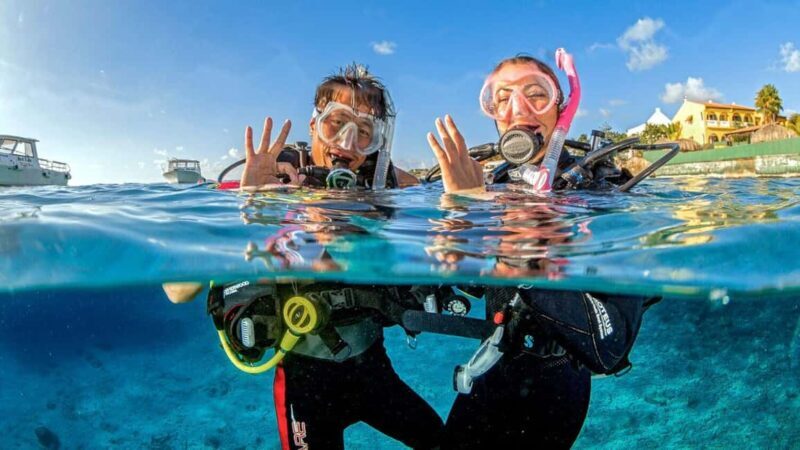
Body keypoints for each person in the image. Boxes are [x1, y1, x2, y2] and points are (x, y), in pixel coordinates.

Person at [166, 65, 442, 450]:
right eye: (336, 123)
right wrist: (250, 212)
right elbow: (177, 291)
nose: (348, 142)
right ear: (314, 125)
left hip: (373, 370)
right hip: (306, 384)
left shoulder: (388, 185)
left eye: (364, 132)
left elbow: (458, 215)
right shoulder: (272, 183)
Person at [427, 51, 656, 449]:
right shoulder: (489, 186)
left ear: (561, 107)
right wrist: (462, 221)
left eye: (536, 94)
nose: (519, 109)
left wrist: (516, 259)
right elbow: (479, 285)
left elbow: (610, 349)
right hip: (493, 369)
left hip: (556, 385)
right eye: (502, 99)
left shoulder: (601, 191)